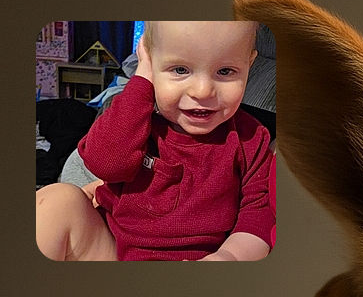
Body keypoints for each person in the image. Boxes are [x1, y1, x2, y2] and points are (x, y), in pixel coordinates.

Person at [35, 20, 274, 261]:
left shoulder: (252, 138)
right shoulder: (137, 117)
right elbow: (104, 165)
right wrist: (142, 82)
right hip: (113, 250)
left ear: (249, 65)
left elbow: (258, 217)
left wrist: (228, 257)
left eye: (225, 71)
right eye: (180, 70)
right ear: (150, 64)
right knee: (57, 201)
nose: (202, 91)